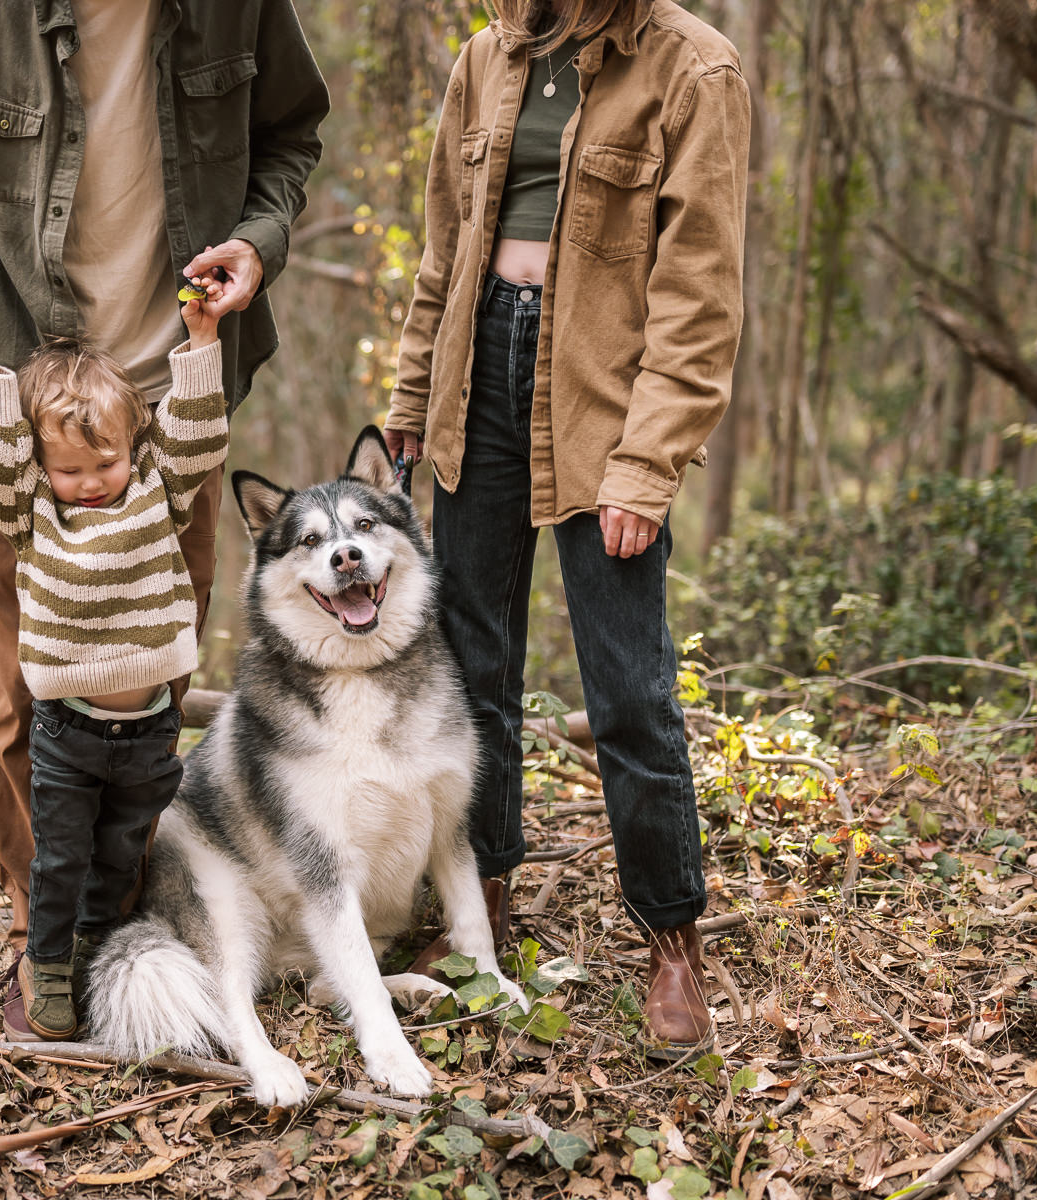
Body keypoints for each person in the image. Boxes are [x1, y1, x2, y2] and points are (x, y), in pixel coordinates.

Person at [0, 0, 328, 1039]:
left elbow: (290, 131)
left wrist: (258, 240)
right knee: (24, 696)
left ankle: (131, 936)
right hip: (22, 394)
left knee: (149, 695)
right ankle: (47, 949)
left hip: (175, 400)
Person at [384, 0, 749, 1059]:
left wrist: (646, 460)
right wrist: (413, 396)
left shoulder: (693, 69)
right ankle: (481, 906)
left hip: (603, 394)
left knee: (628, 686)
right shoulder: (483, 60)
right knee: (471, 667)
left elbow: (698, 297)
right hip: (477, 376)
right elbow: (443, 252)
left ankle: (670, 937)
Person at [0, 277, 228, 1038]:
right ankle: (50, 965)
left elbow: (197, 434)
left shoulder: (153, 491)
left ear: (130, 448)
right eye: (69, 470)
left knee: (120, 854)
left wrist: (201, 344)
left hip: (148, 734)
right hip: (66, 735)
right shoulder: (32, 511)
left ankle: (105, 954)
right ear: (41, 467)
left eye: (103, 464)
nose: (90, 484)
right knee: (60, 863)